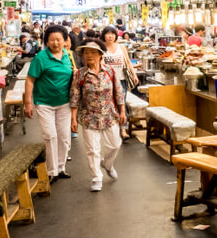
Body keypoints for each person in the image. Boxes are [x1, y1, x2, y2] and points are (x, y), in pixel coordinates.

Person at [70, 41, 125, 192]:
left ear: (101, 54)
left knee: (115, 144)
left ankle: (107, 164)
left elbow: (119, 92)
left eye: (93, 52)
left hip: (109, 114)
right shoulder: (80, 74)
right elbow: (74, 97)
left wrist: (122, 111)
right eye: (86, 53)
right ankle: (96, 177)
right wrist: (73, 118)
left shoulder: (110, 71)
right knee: (92, 150)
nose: (89, 56)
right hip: (89, 116)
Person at [25, 25, 74, 182]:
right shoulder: (41, 58)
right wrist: (28, 103)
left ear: (65, 41)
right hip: (44, 103)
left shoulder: (68, 56)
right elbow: (30, 80)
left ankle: (61, 167)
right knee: (50, 135)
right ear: (46, 41)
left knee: (64, 137)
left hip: (64, 103)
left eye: (59, 39)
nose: (56, 43)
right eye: (52, 40)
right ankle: (51, 171)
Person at [101, 26, 137, 137]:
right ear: (104, 35)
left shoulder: (121, 47)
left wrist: (134, 74)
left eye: (112, 33)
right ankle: (110, 127)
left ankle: (123, 129)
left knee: (122, 104)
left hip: (121, 80)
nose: (110, 36)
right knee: (108, 104)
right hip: (107, 81)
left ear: (116, 35)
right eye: (107, 33)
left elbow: (128, 62)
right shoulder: (101, 48)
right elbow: (100, 64)